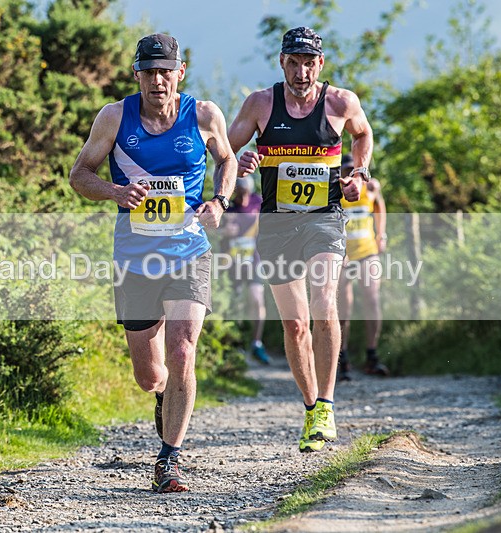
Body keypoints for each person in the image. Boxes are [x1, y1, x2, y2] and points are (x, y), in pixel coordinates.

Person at [69, 33, 236, 492]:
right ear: (137, 75)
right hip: (135, 258)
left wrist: (220, 201)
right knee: (149, 374)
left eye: (167, 71)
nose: (158, 80)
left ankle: (170, 458)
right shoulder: (115, 117)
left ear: (180, 72)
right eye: (149, 71)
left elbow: (228, 159)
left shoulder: (203, 114)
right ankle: (163, 396)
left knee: (184, 349)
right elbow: (79, 174)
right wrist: (116, 191)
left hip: (189, 252)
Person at [228, 27, 373, 452]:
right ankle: (311, 410)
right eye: (294, 62)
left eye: (309, 63)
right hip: (275, 223)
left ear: (320, 65)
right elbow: (222, 149)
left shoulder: (340, 102)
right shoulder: (260, 104)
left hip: (325, 219)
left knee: (324, 303)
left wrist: (357, 174)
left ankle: (327, 403)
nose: (301, 71)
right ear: (282, 62)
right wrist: (241, 160)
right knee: (294, 325)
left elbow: (362, 134)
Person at [337, 153, 389, 381]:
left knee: (372, 299)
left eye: (352, 169)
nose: (349, 173)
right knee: (343, 308)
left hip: (367, 251)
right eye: (345, 169)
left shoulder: (371, 186)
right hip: (342, 255)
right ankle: (342, 357)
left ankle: (372, 354)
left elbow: (380, 206)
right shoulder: (334, 189)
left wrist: (381, 235)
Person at [221, 175, 270, 364]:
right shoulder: (228, 208)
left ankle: (257, 343)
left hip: (254, 261)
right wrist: (223, 231)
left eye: (245, 193)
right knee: (235, 305)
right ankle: (234, 346)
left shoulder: (259, 202)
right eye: (238, 194)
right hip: (231, 263)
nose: (242, 199)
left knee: (257, 299)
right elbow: (210, 229)